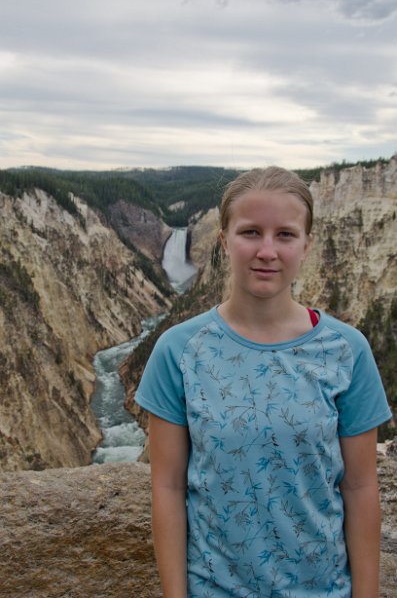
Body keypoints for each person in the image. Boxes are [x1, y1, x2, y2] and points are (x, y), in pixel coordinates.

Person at [135, 166, 392, 598]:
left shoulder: (347, 352)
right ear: (223, 239)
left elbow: (361, 487)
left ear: (307, 245)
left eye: (285, 235)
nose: (267, 251)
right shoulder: (178, 351)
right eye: (250, 232)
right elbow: (168, 486)